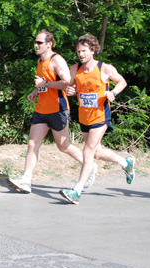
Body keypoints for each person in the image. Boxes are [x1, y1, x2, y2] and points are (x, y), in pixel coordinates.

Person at [8, 30, 96, 193]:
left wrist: (45, 84)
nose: (36, 45)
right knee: (32, 143)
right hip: (42, 109)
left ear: (49, 44)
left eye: (39, 43)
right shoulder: (40, 61)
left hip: (58, 109)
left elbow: (67, 83)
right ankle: (26, 180)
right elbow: (42, 82)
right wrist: (35, 91)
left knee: (63, 146)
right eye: (35, 42)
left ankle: (88, 165)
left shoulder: (57, 61)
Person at [59, 33, 135, 205]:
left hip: (100, 116)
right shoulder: (75, 68)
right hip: (84, 116)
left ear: (93, 50)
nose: (81, 54)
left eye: (84, 51)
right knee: (97, 153)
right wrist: (70, 91)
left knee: (88, 151)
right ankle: (126, 163)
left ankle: (77, 191)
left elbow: (122, 82)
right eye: (78, 51)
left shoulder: (104, 68)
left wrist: (113, 93)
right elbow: (71, 86)